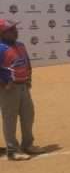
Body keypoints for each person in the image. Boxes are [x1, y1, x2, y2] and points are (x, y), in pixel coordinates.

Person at [0, 20, 43, 161]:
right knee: (10, 119)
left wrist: (29, 78)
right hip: (8, 89)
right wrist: (4, 84)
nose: (15, 31)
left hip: (23, 85)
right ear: (2, 33)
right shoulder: (0, 48)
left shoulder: (21, 45)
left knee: (28, 115)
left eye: (15, 29)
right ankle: (12, 150)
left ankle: (28, 145)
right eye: (11, 30)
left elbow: (27, 63)